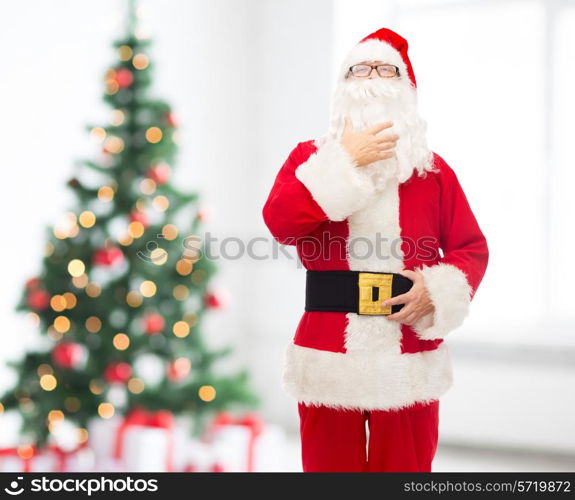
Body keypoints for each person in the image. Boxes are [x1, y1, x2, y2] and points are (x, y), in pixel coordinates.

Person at [261, 27, 489, 472]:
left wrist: (436, 290)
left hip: (406, 351)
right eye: (359, 68)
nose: (372, 77)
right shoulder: (309, 160)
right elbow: (281, 224)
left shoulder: (433, 171)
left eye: (386, 69)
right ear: (342, 86)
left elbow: (470, 248)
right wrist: (341, 164)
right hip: (328, 350)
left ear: (406, 89)